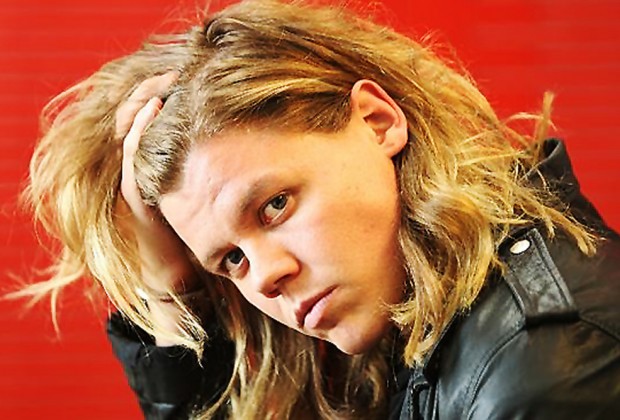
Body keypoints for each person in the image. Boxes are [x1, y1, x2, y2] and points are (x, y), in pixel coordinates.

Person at [14, 0, 620, 418]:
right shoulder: (412, 322)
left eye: (274, 206)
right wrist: (170, 296)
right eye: (230, 260)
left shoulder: (539, 375)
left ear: (378, 122)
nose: (266, 277)